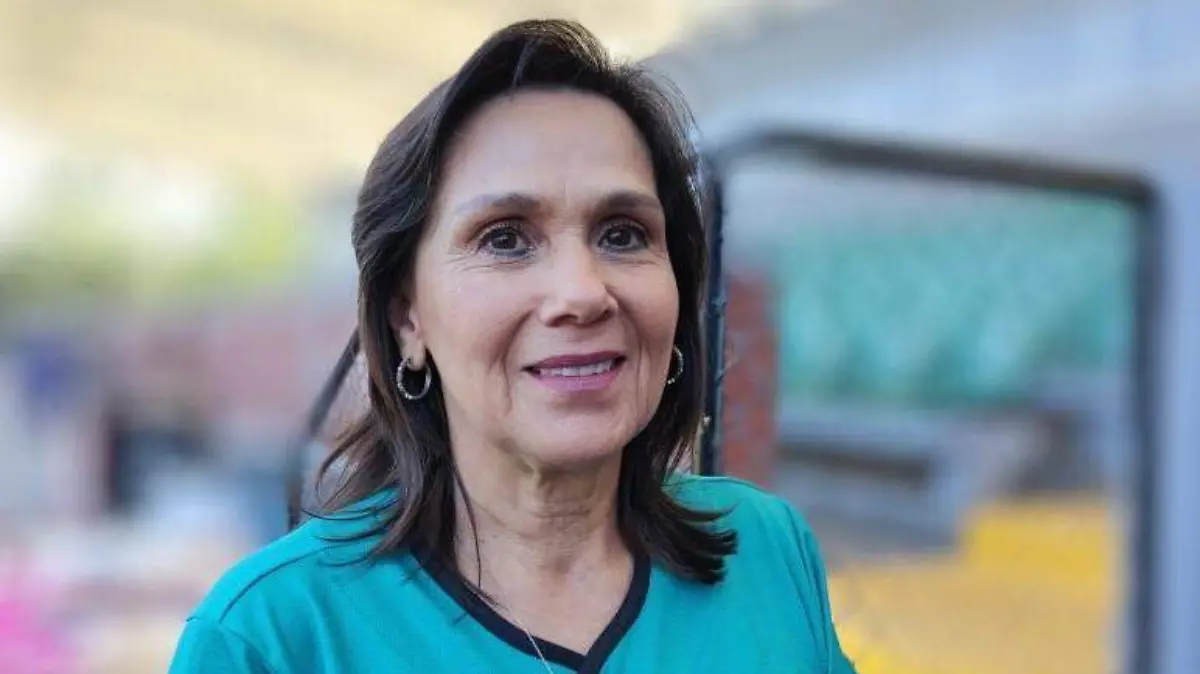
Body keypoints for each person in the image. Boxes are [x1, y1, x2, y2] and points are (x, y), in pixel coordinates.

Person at [168, 19, 857, 673]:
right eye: (504, 239)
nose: (583, 293)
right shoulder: (271, 635)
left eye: (622, 234)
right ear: (408, 319)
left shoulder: (767, 550)